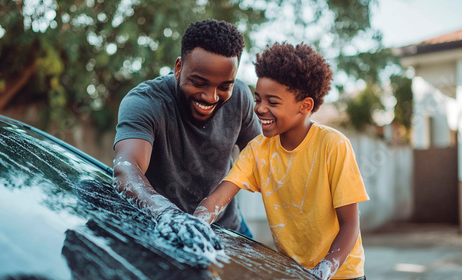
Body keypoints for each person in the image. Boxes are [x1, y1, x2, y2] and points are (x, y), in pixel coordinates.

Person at [193, 42, 370, 279]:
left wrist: (325, 268)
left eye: (272, 102)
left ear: (305, 106)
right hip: (294, 273)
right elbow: (218, 198)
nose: (260, 109)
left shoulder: (333, 145)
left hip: (341, 274)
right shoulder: (258, 150)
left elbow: (350, 224)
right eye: (258, 99)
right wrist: (195, 224)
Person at [113, 19, 261, 251]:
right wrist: (169, 214)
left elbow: (260, 157)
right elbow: (127, 167)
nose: (211, 97)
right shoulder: (145, 102)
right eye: (199, 82)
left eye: (224, 86)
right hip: (165, 231)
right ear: (179, 67)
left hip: (230, 230)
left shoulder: (241, 97)